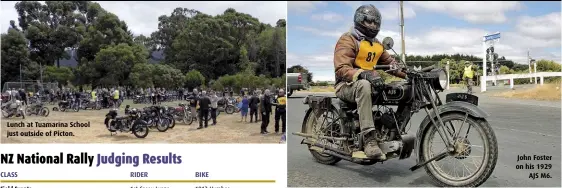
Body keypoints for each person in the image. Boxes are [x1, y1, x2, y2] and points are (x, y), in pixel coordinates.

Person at [333, 4, 406, 159]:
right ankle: (369, 140)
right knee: (364, 85)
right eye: (369, 21)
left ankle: (388, 127)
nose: (373, 25)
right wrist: (362, 74)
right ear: (360, 20)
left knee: (395, 88)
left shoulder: (377, 44)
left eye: (376, 22)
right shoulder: (348, 40)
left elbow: (391, 65)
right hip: (345, 86)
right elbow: (341, 68)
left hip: (367, 84)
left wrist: (408, 73)